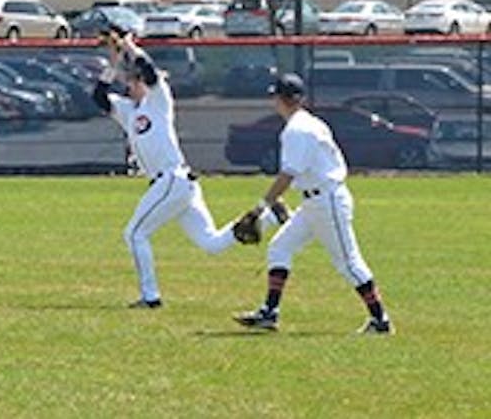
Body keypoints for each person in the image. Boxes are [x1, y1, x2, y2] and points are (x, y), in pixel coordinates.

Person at [94, 43, 256, 309]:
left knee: (134, 234)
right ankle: (269, 217)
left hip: (171, 179)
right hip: (177, 184)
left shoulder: (159, 100)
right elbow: (99, 97)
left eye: (134, 81)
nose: (130, 85)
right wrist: (112, 66)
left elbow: (149, 72)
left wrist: (129, 45)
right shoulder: (128, 111)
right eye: (129, 81)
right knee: (211, 243)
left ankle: (151, 297)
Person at [233, 72, 394, 335]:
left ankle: (380, 320)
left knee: (349, 263)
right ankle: (269, 312)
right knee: (280, 247)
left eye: (275, 96)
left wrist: (262, 206)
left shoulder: (296, 130)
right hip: (315, 201)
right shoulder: (311, 122)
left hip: (326, 201)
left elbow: (288, 173)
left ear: (281, 99)